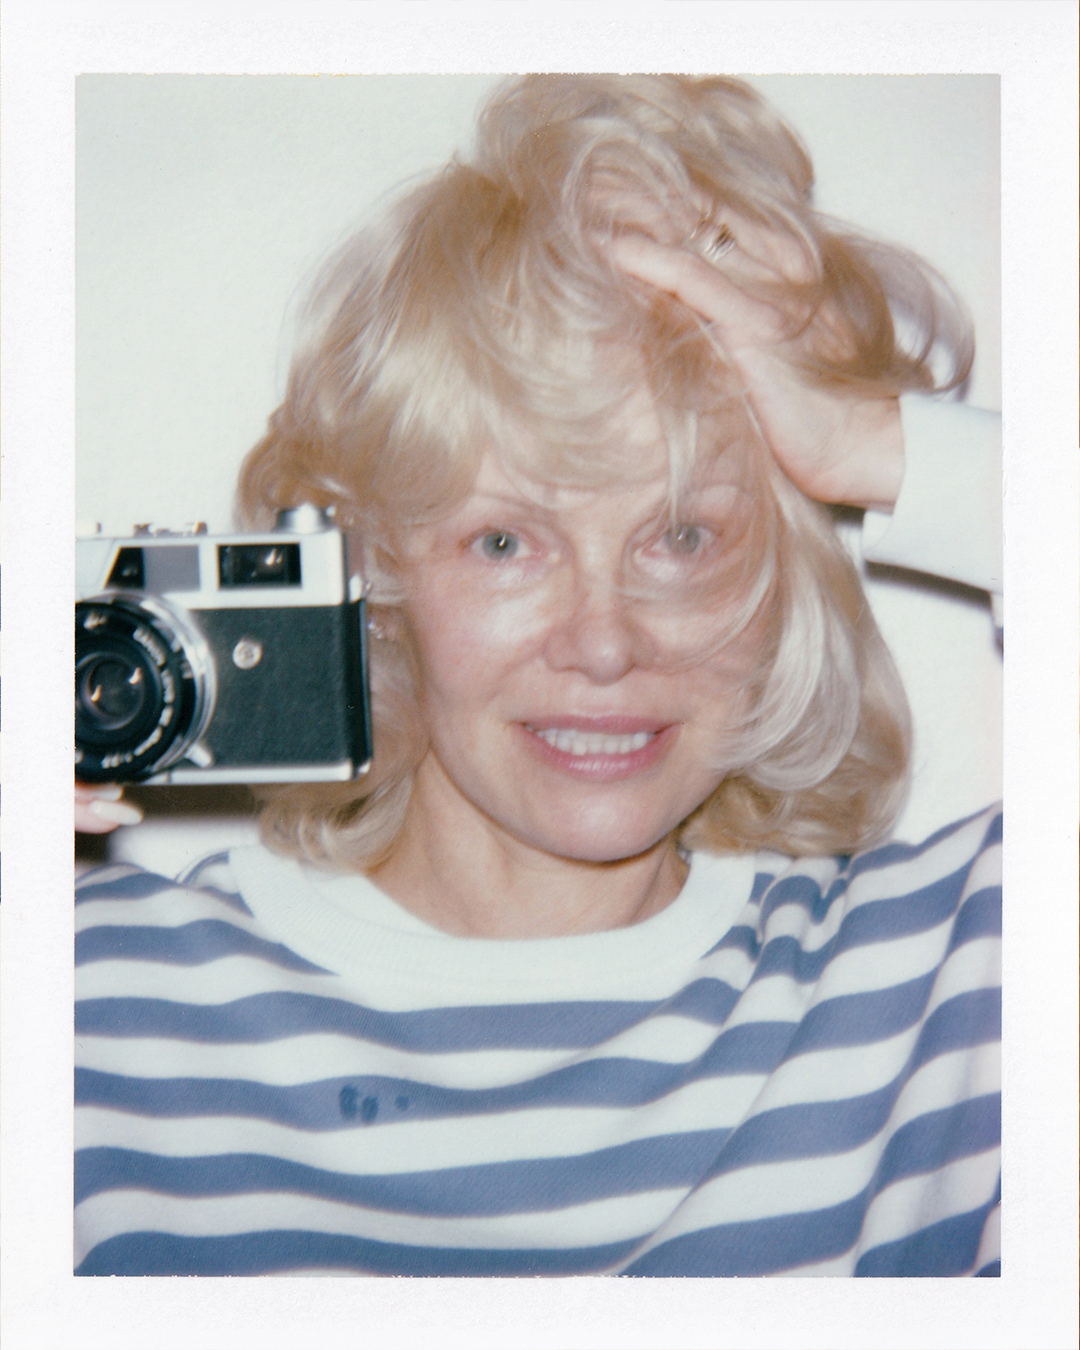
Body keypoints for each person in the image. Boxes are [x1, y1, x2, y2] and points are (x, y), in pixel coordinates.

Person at [74, 74, 1001, 1277]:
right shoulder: (93, 1003)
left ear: (785, 579)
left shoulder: (941, 988)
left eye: (683, 537)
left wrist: (870, 441)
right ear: (375, 579)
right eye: (504, 543)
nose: (604, 644)